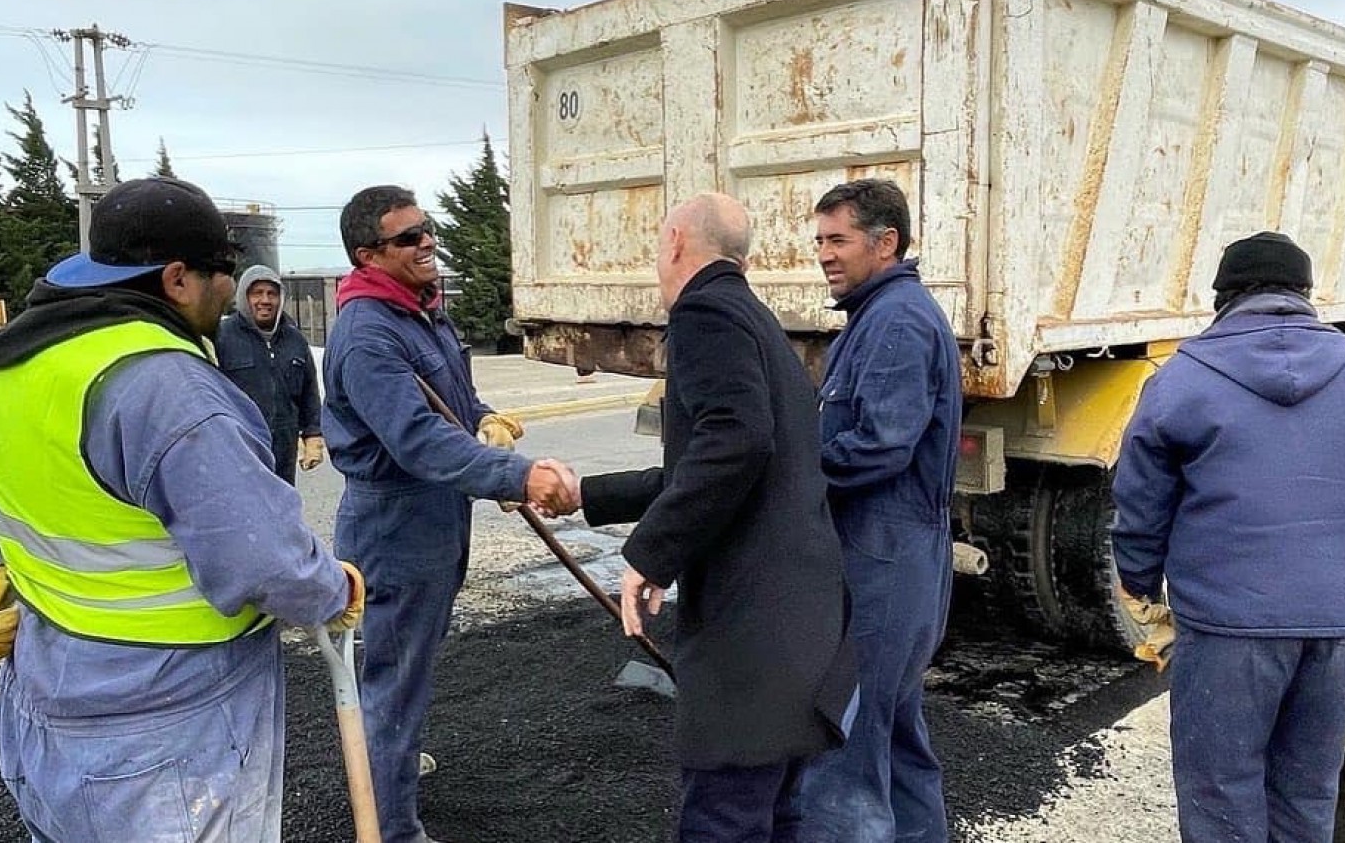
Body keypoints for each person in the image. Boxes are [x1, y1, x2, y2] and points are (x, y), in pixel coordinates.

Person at [0, 177, 364, 842]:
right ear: (178, 278)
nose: (227, 293)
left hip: (42, 712)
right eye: (222, 276)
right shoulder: (169, 389)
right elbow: (264, 561)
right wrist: (332, 590)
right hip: (165, 733)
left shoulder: (21, 363)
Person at [1111, 231, 1345, 843]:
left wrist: (1139, 581)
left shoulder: (1181, 381)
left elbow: (1139, 508)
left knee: (1221, 794)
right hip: (1339, 626)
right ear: (1306, 294)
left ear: (1223, 299)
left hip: (1226, 624)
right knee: (1307, 790)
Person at [574, 192, 857, 843]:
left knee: (724, 823)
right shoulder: (753, 316)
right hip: (800, 636)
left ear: (675, 243)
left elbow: (737, 441)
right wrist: (592, 496)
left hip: (753, 644)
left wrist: (650, 557)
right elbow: (713, 464)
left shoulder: (704, 313)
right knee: (776, 817)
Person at [324, 183, 578, 843]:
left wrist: (483, 416)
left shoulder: (417, 311)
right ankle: (392, 826)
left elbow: (449, 402)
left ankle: (394, 761)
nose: (427, 241)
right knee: (392, 684)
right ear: (366, 254)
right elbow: (416, 440)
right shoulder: (369, 333)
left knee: (406, 673)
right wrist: (518, 474)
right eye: (407, 237)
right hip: (396, 525)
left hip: (432, 520)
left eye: (426, 228)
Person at [781, 178, 962, 843]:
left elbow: (879, 446)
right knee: (897, 741)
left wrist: (787, 476)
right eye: (819, 241)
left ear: (885, 243)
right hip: (892, 558)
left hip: (883, 561)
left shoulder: (897, 322)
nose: (824, 254)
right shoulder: (879, 316)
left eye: (838, 240)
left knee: (847, 751)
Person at [216, 264, 324, 484]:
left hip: (284, 450)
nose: (265, 300)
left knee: (282, 508)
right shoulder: (222, 337)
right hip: (238, 450)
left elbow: (309, 392)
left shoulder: (295, 340)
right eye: (257, 293)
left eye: (272, 294)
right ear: (244, 297)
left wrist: (313, 435)